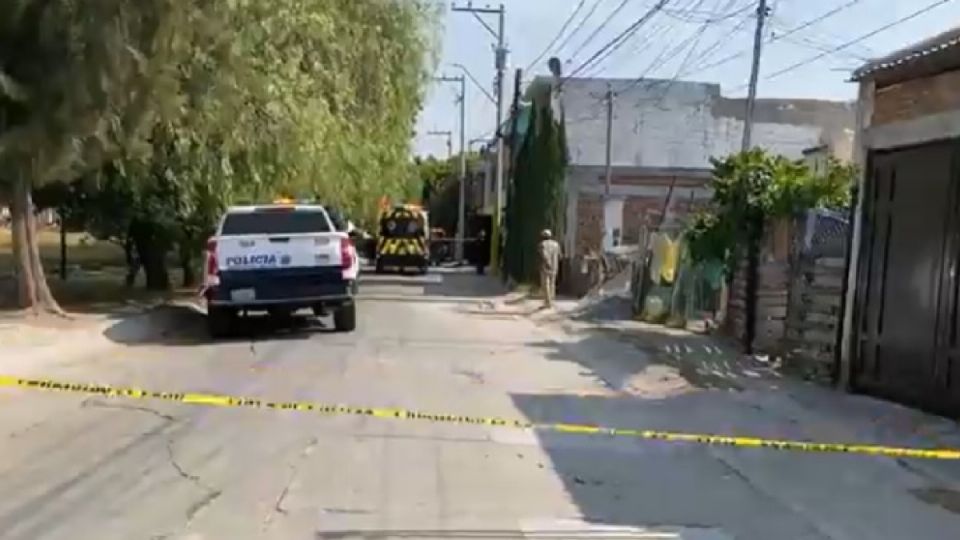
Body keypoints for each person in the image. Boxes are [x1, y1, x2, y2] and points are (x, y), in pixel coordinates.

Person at [538, 229, 561, 307]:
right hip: (555, 266)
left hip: (546, 266)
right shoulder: (556, 244)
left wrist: (548, 263)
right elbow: (559, 255)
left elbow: (543, 255)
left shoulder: (542, 244)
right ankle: (551, 300)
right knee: (552, 284)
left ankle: (547, 302)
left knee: (546, 284)